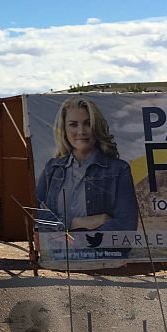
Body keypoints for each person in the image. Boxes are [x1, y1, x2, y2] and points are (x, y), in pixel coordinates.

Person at [35, 96, 138, 232]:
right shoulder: (52, 169)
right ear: (64, 129)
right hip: (57, 252)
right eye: (73, 124)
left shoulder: (118, 169)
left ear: (97, 127)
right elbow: (34, 216)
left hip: (103, 253)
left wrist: (81, 241)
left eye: (88, 123)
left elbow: (126, 225)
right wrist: (75, 223)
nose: (81, 131)